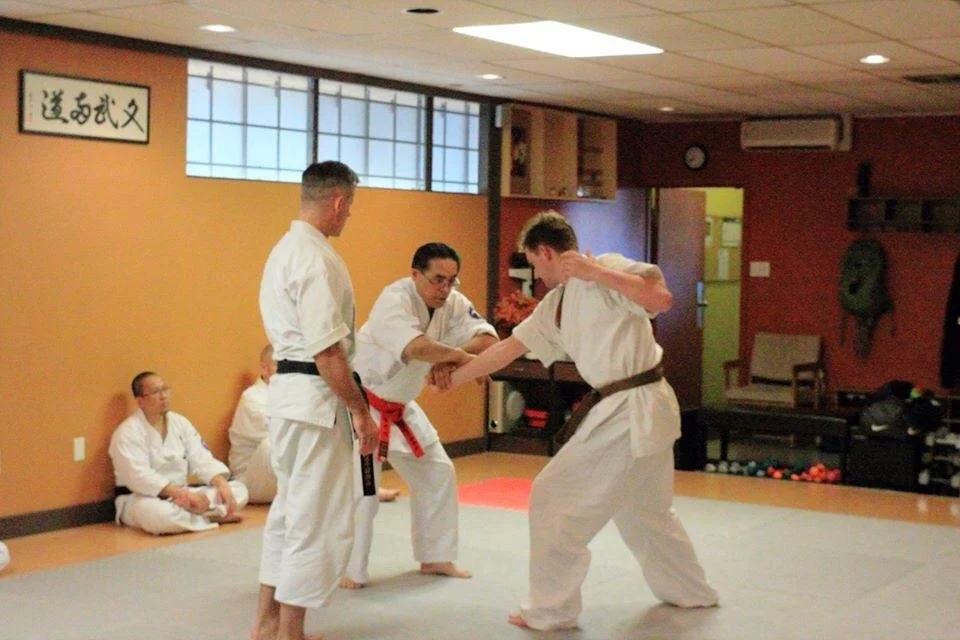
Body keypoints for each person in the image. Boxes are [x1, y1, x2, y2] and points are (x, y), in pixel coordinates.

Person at [440, 211, 718, 631]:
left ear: (545, 251)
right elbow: (512, 346)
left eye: (534, 262)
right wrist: (455, 376)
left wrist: (596, 271)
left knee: (553, 498)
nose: (534, 272)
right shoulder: (557, 303)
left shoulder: (610, 268)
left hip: (633, 406)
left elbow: (660, 299)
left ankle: (552, 610)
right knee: (647, 512)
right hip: (631, 408)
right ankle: (691, 592)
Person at [252, 161, 379, 640]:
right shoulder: (315, 258)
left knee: (289, 514)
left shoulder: (283, 250)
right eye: (351, 208)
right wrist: (360, 411)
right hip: (315, 400)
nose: (349, 218)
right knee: (315, 520)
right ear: (339, 202)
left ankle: (265, 623)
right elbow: (328, 353)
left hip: (288, 398)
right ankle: (290, 631)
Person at [340, 242, 498, 590]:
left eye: (451, 280)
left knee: (437, 471)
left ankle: (435, 555)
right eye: (437, 279)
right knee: (365, 494)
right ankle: (351, 571)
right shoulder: (393, 301)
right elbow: (416, 347)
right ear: (415, 275)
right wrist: (458, 357)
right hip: (362, 407)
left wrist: (453, 357)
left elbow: (487, 340)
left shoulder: (453, 302)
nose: (445, 288)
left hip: (401, 407)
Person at [228, 344, 399, 505]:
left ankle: (356, 489)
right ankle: (349, 492)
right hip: (252, 478)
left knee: (334, 434)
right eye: (279, 367)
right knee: (284, 440)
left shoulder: (288, 394)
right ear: (264, 368)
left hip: (281, 474)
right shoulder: (252, 397)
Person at [108, 371, 249, 535]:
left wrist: (221, 484)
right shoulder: (127, 432)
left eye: (165, 389)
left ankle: (198, 514)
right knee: (161, 516)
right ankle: (211, 516)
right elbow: (138, 477)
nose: (163, 396)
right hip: (142, 499)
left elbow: (201, 458)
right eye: (156, 392)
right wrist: (183, 494)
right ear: (140, 401)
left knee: (239, 490)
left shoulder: (180, 423)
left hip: (184, 495)